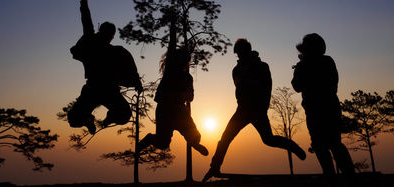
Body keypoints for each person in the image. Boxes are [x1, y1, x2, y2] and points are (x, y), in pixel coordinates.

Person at [202, 38, 306, 182]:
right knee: (225, 138)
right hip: (242, 110)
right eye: (237, 53)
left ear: (248, 50)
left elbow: (267, 86)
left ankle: (293, 146)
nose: (239, 55)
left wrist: (263, 106)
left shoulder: (262, 66)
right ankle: (214, 168)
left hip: (257, 110)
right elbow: (239, 88)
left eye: (241, 52)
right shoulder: (236, 70)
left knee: (268, 139)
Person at [67, 0, 142, 135]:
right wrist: (136, 82)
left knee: (76, 119)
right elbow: (86, 20)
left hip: (103, 90)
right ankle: (90, 118)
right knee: (75, 119)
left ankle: (106, 118)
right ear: (112, 36)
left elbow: (86, 20)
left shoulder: (113, 49)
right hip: (99, 89)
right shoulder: (108, 48)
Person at [137, 16, 208, 156]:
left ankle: (195, 143)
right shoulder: (170, 69)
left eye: (185, 59)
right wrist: (173, 25)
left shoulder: (188, 78)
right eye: (181, 58)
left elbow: (191, 97)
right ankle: (149, 139)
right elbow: (172, 43)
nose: (183, 61)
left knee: (194, 136)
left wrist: (185, 96)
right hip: (165, 110)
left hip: (180, 110)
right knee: (163, 143)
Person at [291, 33, 355, 181]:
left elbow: (297, 86)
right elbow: (333, 84)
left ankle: (333, 176)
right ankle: (347, 178)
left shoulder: (306, 65)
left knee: (323, 145)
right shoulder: (327, 61)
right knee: (331, 144)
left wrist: (302, 68)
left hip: (317, 110)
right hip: (328, 108)